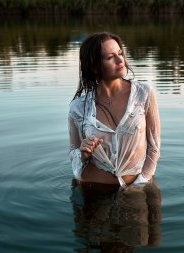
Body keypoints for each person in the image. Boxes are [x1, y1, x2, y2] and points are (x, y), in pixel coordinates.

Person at [68, 32, 160, 187]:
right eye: (110, 57)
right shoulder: (78, 108)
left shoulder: (143, 93)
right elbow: (73, 153)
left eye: (120, 53)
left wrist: (141, 183)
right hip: (93, 189)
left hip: (137, 190)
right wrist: (83, 154)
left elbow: (154, 148)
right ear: (95, 66)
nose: (120, 60)